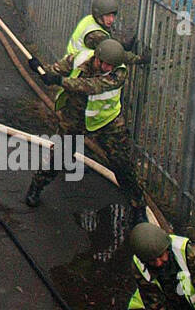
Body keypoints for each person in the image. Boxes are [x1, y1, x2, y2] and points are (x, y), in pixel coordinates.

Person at [25, 38, 147, 220]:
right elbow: (55, 70)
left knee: (122, 165)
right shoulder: (78, 59)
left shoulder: (119, 73)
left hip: (107, 122)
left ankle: (138, 206)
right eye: (104, 64)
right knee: (60, 157)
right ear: (96, 57)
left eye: (111, 65)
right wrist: (39, 68)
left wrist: (60, 81)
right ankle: (36, 187)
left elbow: (92, 86)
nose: (108, 68)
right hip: (75, 119)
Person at [67, 0, 147, 64]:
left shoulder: (90, 19)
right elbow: (116, 55)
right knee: (117, 69)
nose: (111, 20)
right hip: (80, 71)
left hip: (74, 62)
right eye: (107, 16)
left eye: (113, 16)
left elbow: (109, 40)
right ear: (99, 15)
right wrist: (140, 59)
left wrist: (123, 45)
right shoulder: (96, 34)